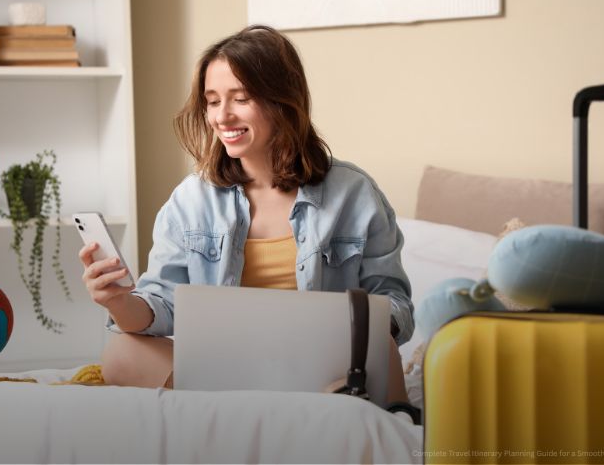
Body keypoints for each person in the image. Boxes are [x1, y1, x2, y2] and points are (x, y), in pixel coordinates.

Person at [79, 25, 414, 404]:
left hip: (327, 370)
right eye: (212, 100)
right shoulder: (190, 200)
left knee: (382, 352)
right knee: (122, 353)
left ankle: (264, 403)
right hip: (225, 369)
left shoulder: (354, 194)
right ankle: (270, 403)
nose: (222, 116)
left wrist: (346, 334)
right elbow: (163, 306)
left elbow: (395, 305)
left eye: (240, 98)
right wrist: (118, 301)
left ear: (282, 101)